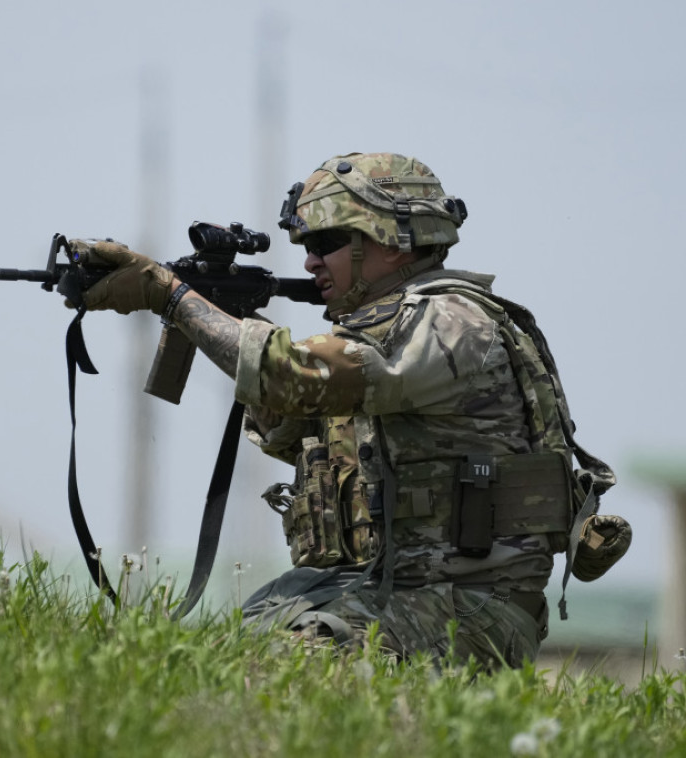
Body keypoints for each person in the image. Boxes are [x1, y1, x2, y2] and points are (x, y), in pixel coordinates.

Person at [70, 152, 629, 668]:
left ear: (395, 241)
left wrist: (172, 297)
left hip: (469, 608)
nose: (311, 260)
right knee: (198, 664)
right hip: (380, 588)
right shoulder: (386, 328)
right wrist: (216, 315)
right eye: (306, 245)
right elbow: (297, 423)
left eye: (329, 240)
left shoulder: (450, 321)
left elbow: (289, 375)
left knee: (278, 672)